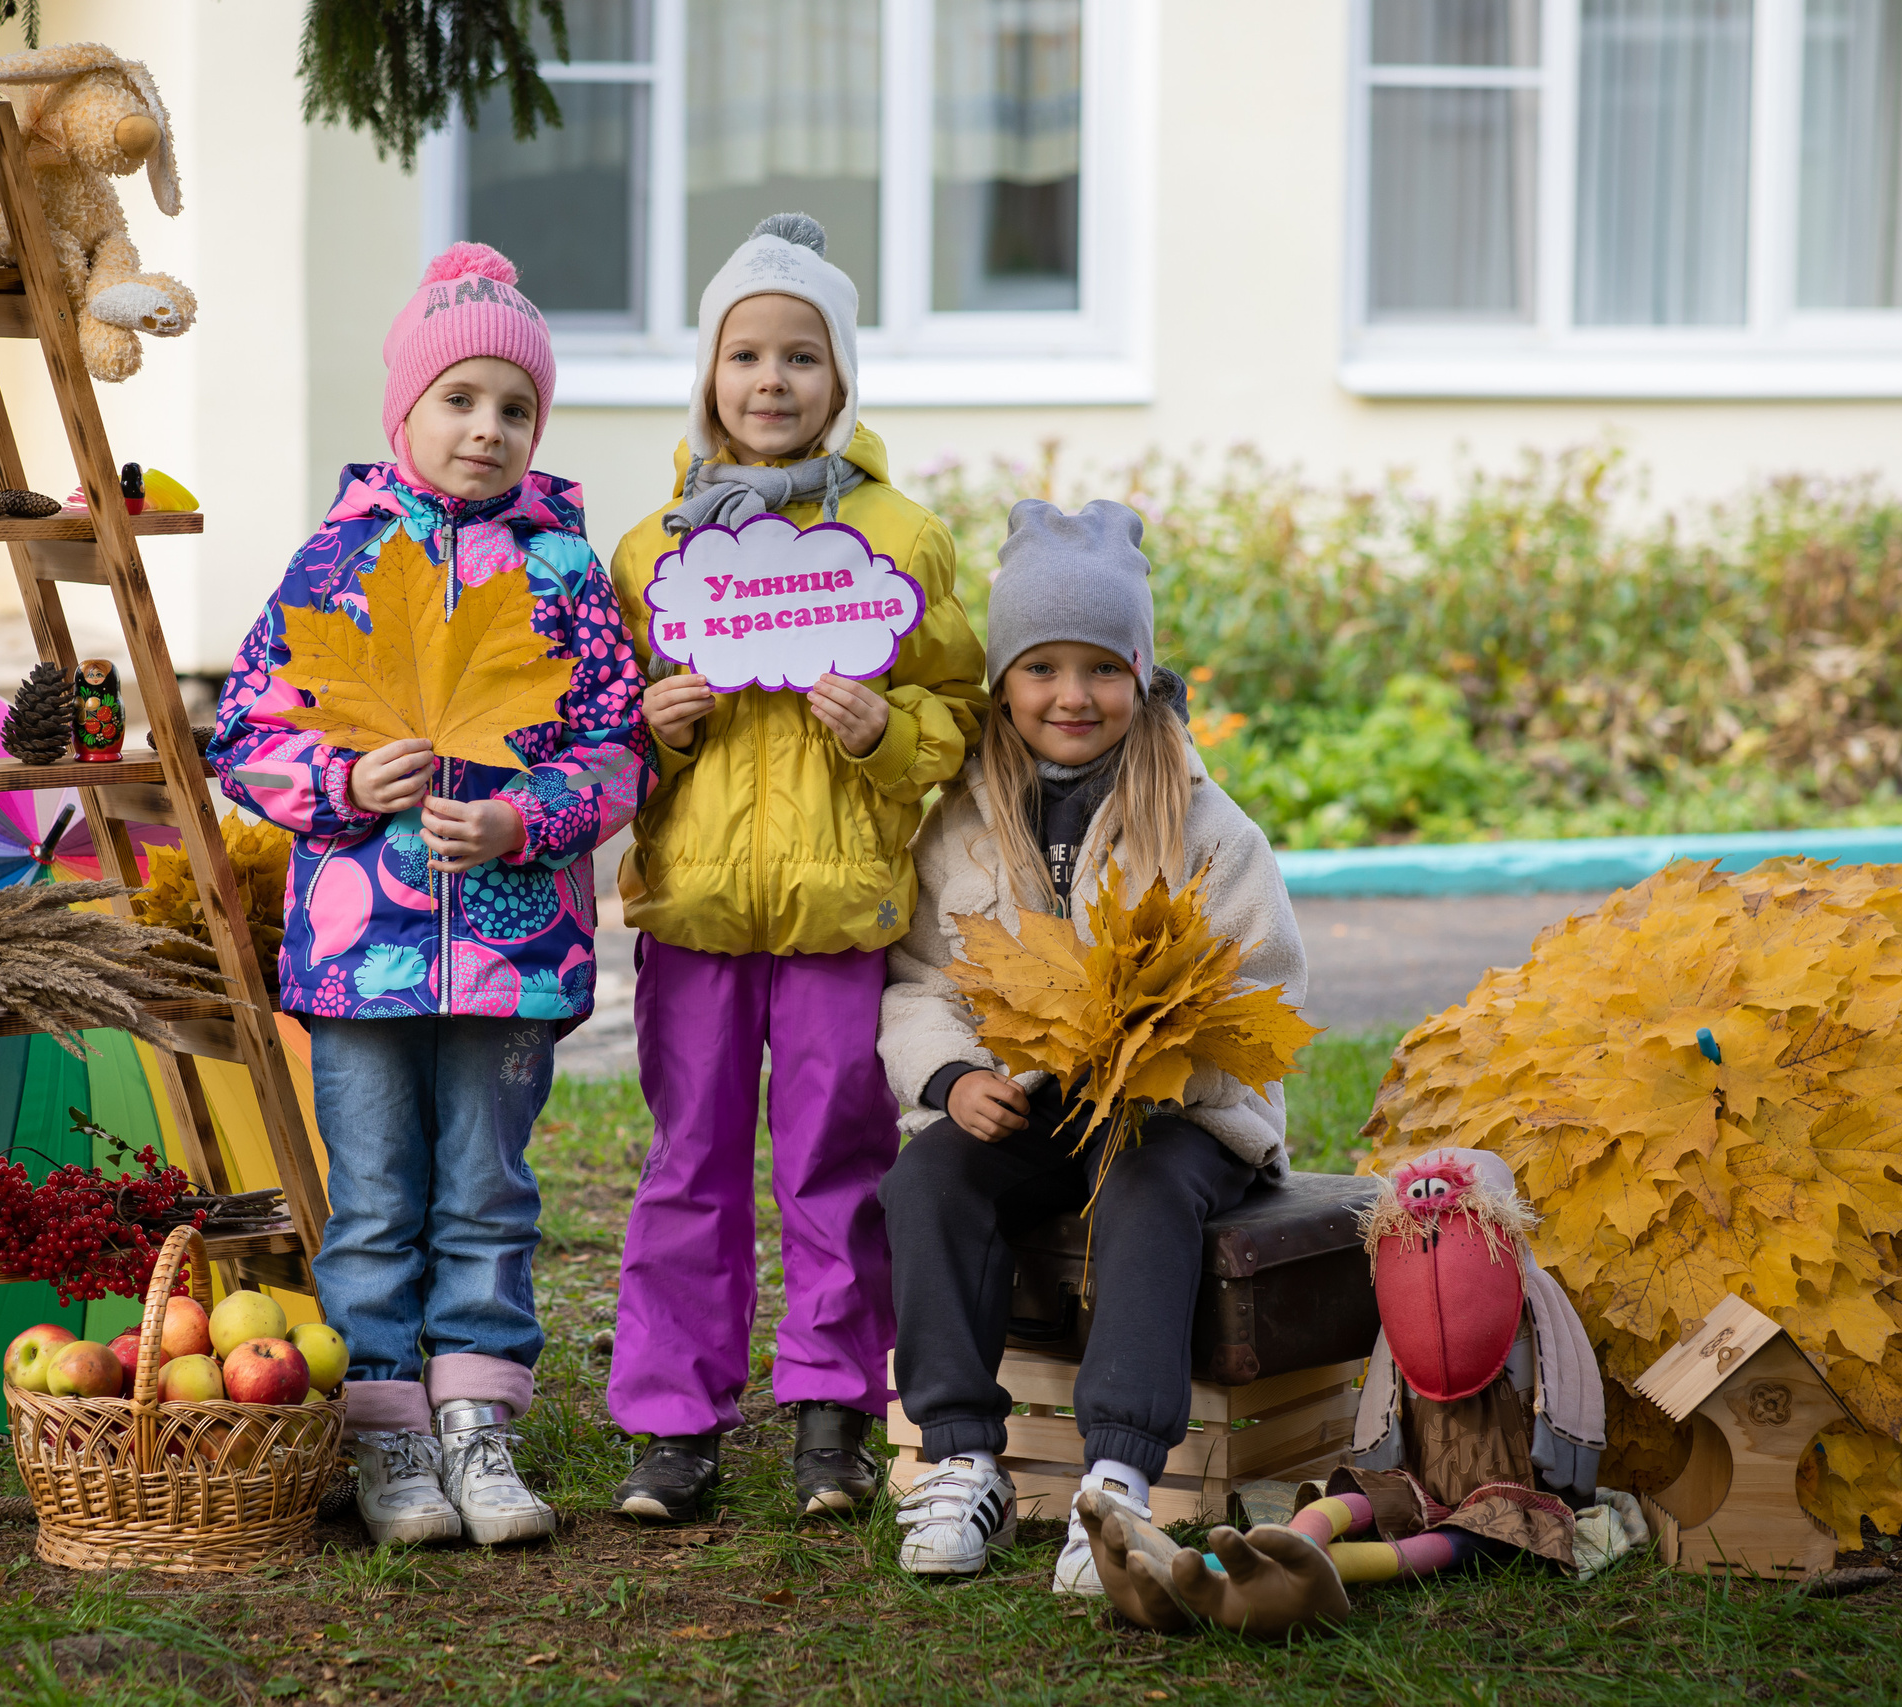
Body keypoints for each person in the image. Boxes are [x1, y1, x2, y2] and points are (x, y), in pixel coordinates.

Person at [206, 243, 650, 1548]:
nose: (487, 429)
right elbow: (246, 732)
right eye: (460, 398)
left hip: (515, 954)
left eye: (515, 407)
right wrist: (345, 777)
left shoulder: (564, 575)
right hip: (362, 950)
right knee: (377, 1191)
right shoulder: (334, 562)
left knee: (488, 1187)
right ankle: (385, 1425)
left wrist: (528, 814)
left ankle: (477, 1414)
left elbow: (617, 748)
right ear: (403, 409)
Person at [603, 214, 989, 1522]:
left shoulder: (902, 539)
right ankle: (674, 1418)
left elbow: (960, 710)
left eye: (802, 357)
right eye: (747, 355)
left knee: (838, 1158)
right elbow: (589, 730)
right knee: (687, 1160)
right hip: (696, 912)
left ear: (843, 377)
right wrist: (642, 731)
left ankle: (831, 1402)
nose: (772, 381)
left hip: (840, 914)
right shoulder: (652, 551)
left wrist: (892, 735)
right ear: (710, 375)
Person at [873, 497, 1308, 1592]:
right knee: (929, 1180)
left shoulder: (1207, 826)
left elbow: (1260, 982)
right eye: (1042, 669)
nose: (1073, 696)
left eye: (1102, 669)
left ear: (1142, 677)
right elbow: (923, 977)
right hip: (1030, 1101)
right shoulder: (963, 823)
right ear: (1005, 685)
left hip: (1179, 1111)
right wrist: (954, 1076)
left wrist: (1166, 1060)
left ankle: (1115, 1482)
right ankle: (961, 1456)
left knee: (1145, 1193)